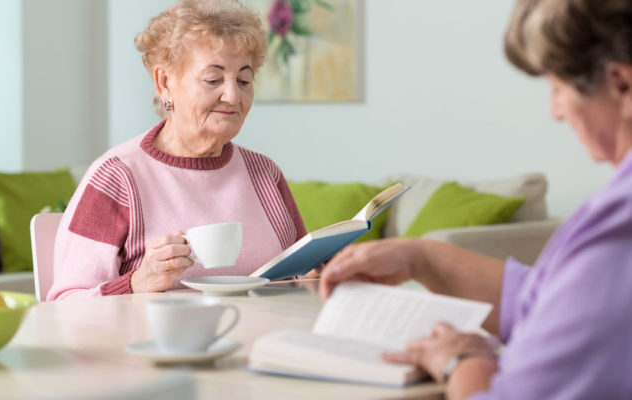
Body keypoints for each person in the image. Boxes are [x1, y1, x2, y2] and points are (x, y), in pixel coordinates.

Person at [320, 0, 632, 398]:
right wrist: (421, 257)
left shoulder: (619, 229)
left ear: (621, 84)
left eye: (557, 88)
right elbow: (546, 301)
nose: (554, 111)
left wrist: (461, 362)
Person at [48, 0, 306, 300]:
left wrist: (316, 273)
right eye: (213, 79)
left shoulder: (265, 174)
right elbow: (63, 305)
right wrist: (136, 283)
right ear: (165, 82)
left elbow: (298, 276)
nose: (233, 95)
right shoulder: (116, 177)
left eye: (244, 80)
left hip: (259, 341)